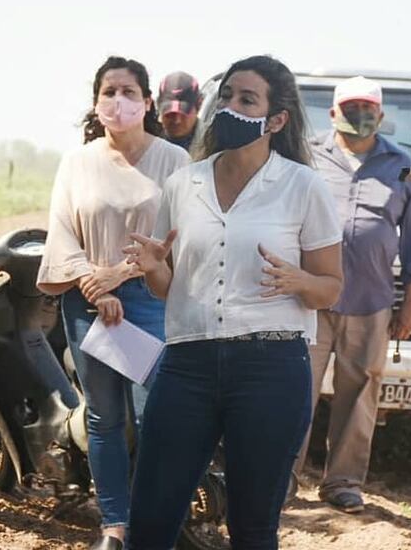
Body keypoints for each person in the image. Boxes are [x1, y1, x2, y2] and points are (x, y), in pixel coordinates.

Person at [123, 55, 344, 549]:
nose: (230, 107)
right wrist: (156, 267)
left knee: (252, 529)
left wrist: (297, 280)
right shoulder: (183, 183)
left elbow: (332, 287)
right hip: (188, 366)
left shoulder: (303, 186)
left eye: (247, 100)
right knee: (151, 522)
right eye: (226, 96)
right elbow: (167, 286)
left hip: (270, 367)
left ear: (277, 119)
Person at [38, 57, 188, 550]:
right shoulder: (77, 163)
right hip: (86, 303)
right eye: (108, 91)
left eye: (128, 92)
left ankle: (156, 523)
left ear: (148, 102)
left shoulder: (174, 162)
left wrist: (120, 276)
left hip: (152, 298)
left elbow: (180, 238)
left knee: (155, 417)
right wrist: (94, 286)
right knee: (103, 416)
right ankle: (115, 525)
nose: (117, 101)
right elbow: (61, 231)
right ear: (96, 101)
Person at [292, 76, 411, 514]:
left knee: (360, 397)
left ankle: (343, 483)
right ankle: (281, 480)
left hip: (370, 302)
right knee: (294, 393)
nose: (360, 116)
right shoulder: (306, 158)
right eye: (350, 108)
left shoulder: (400, 165)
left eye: (368, 108)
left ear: (381, 115)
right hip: (309, 301)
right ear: (332, 113)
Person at [156, 71, 201, 150]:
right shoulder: (146, 145)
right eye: (170, 113)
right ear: (158, 105)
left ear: (199, 105)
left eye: (184, 112)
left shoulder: (215, 144)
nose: (177, 120)